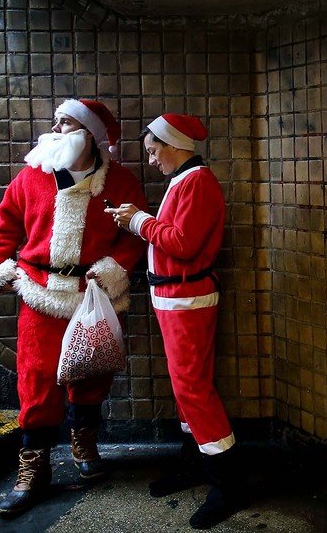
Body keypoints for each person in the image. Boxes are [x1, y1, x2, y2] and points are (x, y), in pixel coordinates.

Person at [0, 98, 148, 517]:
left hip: (94, 293)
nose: (55, 129)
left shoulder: (121, 183)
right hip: (41, 290)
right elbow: (2, 229)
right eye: (54, 122)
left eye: (66, 123)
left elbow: (131, 237)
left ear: (89, 135)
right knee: (36, 379)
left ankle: (84, 440)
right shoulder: (30, 177)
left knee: (92, 370)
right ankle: (33, 468)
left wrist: (114, 269)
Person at [107, 113, 244, 529]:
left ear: (174, 145)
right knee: (185, 387)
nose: (151, 160)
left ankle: (229, 485)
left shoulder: (198, 182)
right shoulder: (185, 181)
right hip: (174, 297)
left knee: (194, 389)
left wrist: (136, 221)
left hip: (187, 298)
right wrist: (140, 221)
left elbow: (182, 244)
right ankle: (196, 465)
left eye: (153, 151)